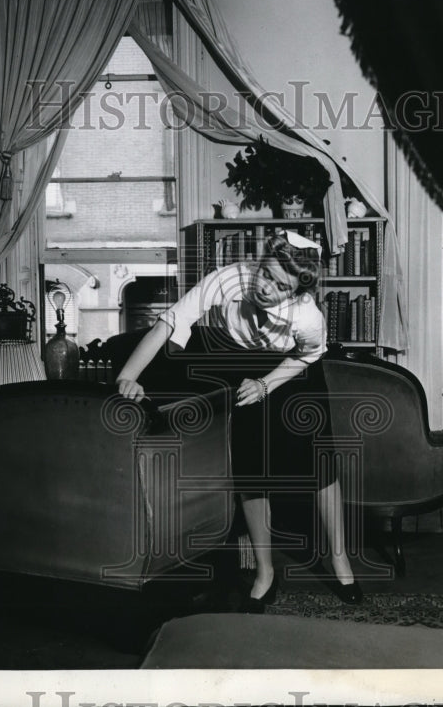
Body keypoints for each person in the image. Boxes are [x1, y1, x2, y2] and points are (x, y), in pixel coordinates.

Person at [115, 230, 362, 612]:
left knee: (319, 463)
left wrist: (266, 385)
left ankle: (340, 560)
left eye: (280, 286)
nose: (265, 287)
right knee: (250, 466)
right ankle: (265, 572)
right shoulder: (228, 279)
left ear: (296, 292)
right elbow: (170, 322)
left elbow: (308, 355)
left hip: (295, 369)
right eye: (265, 274)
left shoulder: (307, 316)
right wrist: (127, 377)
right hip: (245, 365)